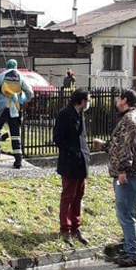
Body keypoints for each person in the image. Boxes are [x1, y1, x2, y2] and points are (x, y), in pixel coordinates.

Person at [92, 89, 136, 267]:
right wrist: (105, 146)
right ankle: (130, 249)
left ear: (124, 100)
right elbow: (119, 147)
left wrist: (123, 171)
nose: (116, 101)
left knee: (126, 214)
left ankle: (133, 254)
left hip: (131, 175)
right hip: (134, 174)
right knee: (130, 213)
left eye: (119, 98)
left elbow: (127, 148)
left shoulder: (130, 120)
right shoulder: (132, 117)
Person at [53, 89, 91, 245]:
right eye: (87, 100)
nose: (89, 103)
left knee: (78, 196)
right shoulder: (65, 114)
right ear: (81, 101)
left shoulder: (80, 114)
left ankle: (76, 227)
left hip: (81, 161)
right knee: (68, 196)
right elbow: (57, 138)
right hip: (69, 162)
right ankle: (65, 228)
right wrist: (71, 152)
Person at [0, 59, 34, 169]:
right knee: (15, 133)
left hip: (2, 107)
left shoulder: (2, 76)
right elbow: (30, 93)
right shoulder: (21, 77)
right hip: (15, 108)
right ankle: (18, 159)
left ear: (7, 66)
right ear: (16, 66)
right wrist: (23, 99)